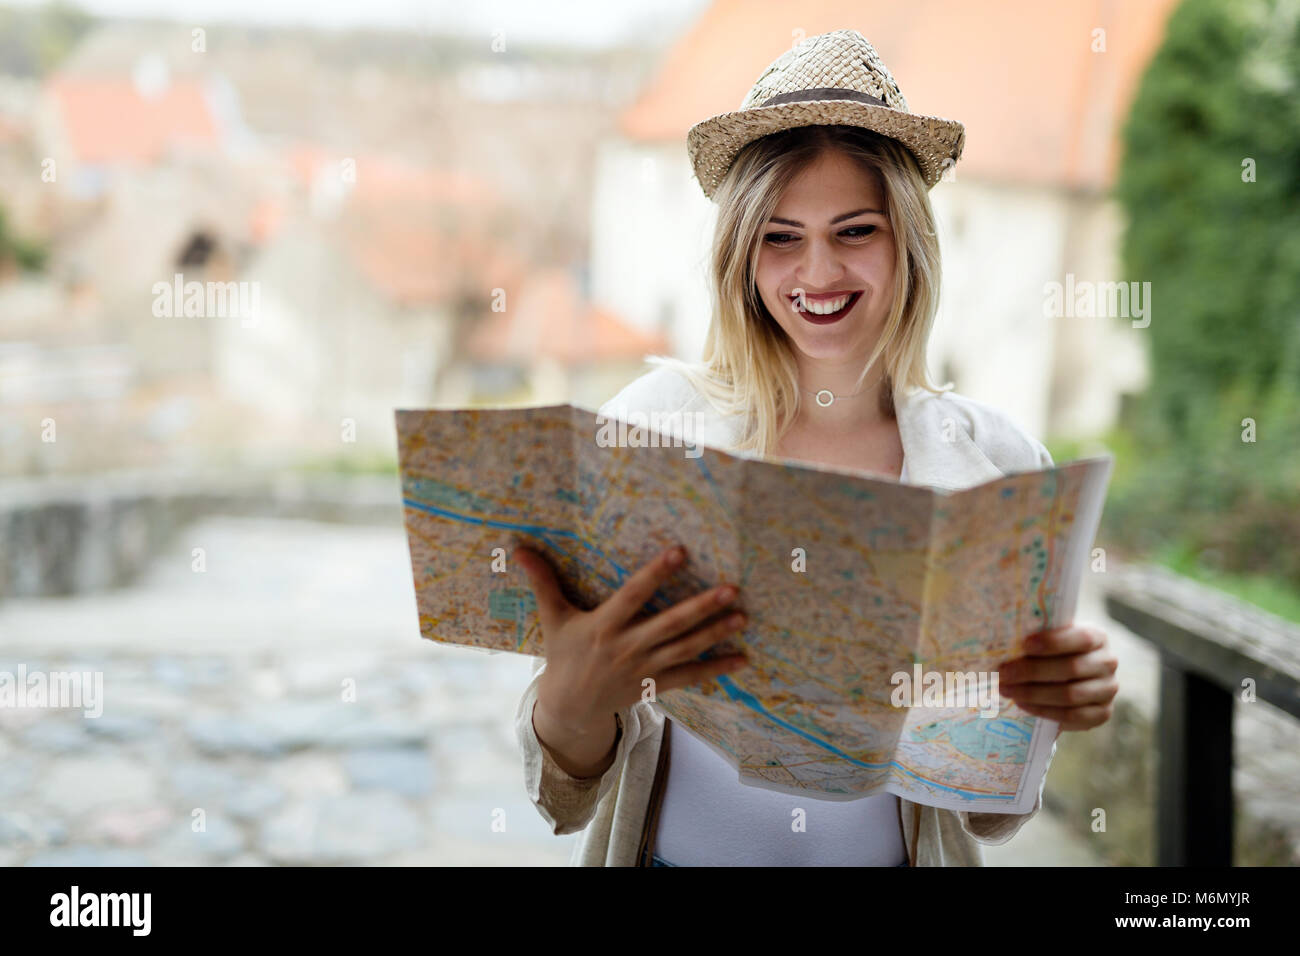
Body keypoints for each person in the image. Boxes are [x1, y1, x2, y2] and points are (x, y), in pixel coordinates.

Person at [513, 28, 1119, 866]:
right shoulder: (649, 427)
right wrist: (570, 703)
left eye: (856, 230)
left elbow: (991, 819)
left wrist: (1041, 712)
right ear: (741, 254)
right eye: (781, 236)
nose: (818, 272)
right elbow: (560, 792)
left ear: (908, 241)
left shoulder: (1002, 467)